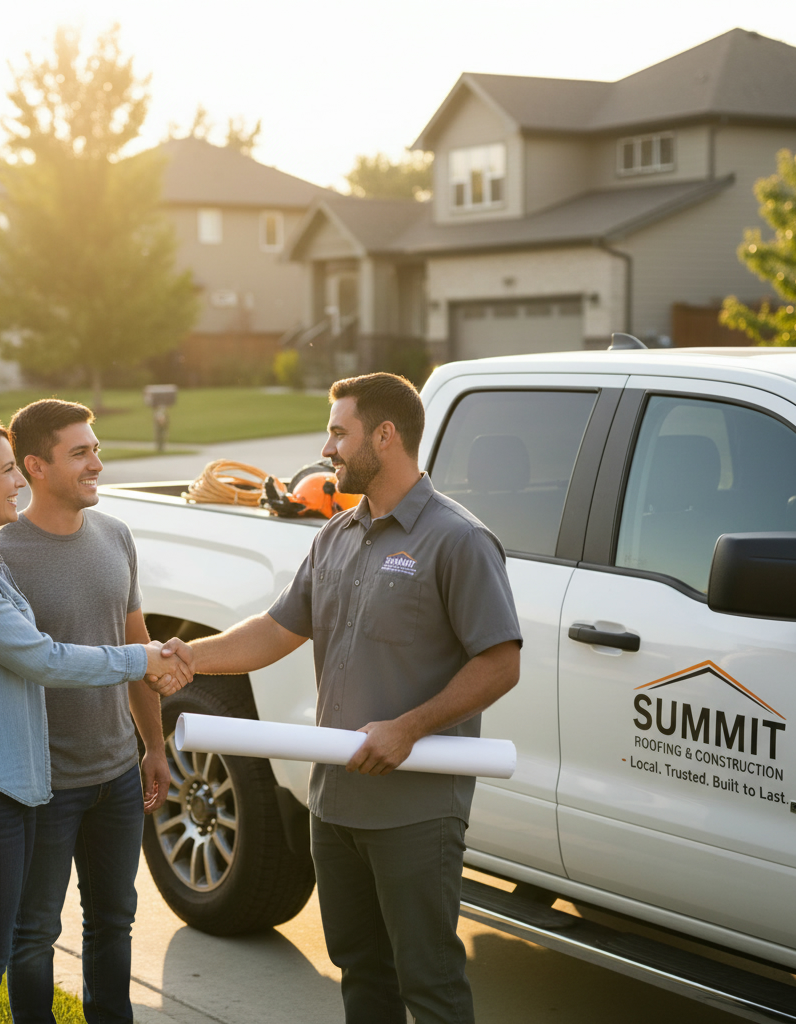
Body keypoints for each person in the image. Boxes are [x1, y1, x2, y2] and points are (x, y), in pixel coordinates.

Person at [153, 372, 522, 1024]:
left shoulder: (456, 539)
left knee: (429, 982)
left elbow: (500, 662)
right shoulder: (336, 536)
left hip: (415, 810)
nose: (327, 449)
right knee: (361, 974)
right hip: (336, 805)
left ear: (386, 435)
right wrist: (189, 657)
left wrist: (409, 728)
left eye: (338, 432)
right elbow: (276, 629)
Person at [0, 416, 191, 1024]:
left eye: (98, 449)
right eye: (79, 452)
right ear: (36, 467)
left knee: (104, 921)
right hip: (21, 783)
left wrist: (154, 745)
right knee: (12, 943)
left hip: (95, 771)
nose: (97, 464)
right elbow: (34, 655)